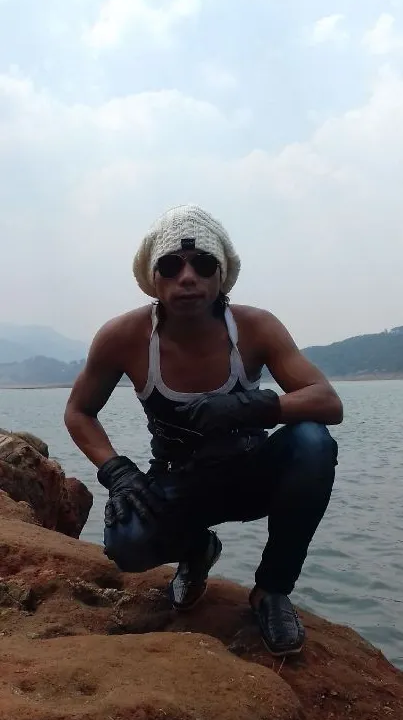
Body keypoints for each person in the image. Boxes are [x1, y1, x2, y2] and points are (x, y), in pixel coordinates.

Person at [64, 204, 343, 657]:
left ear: (222, 274)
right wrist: (117, 471)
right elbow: (79, 411)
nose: (187, 277)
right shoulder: (124, 337)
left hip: (252, 472)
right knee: (126, 544)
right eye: (171, 266)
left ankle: (272, 590)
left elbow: (327, 402)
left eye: (203, 264)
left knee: (312, 443)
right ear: (153, 278)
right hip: (178, 481)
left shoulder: (254, 328)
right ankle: (197, 550)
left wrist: (249, 405)